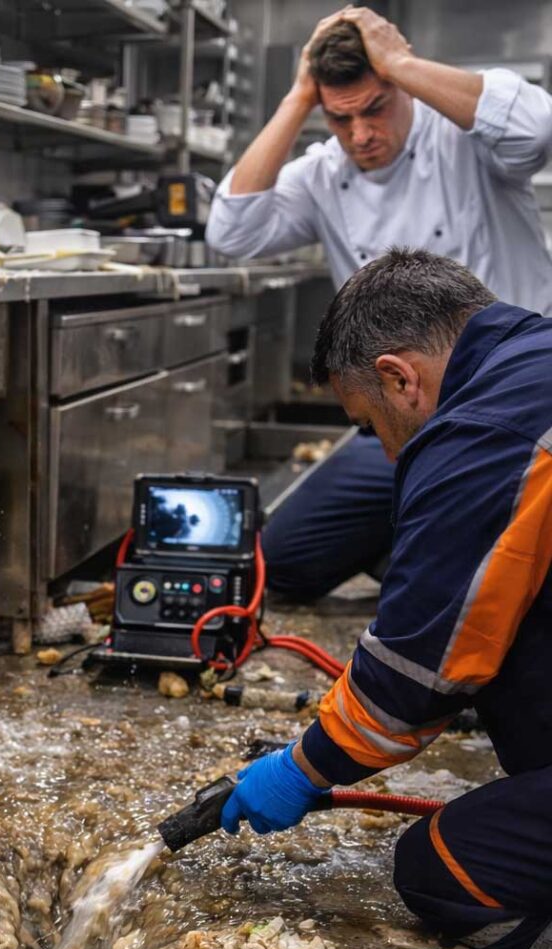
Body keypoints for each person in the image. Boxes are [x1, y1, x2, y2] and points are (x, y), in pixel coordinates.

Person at [218, 248, 552, 949]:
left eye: (370, 424)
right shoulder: (533, 362)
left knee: (446, 869)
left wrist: (302, 769)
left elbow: (411, 680)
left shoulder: (484, 435)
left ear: (401, 378)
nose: (385, 451)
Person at [205, 6, 552, 599]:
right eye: (341, 119)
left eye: (374, 108)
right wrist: (297, 99)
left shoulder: (463, 140)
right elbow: (231, 232)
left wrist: (401, 61)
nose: (360, 134)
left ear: (401, 86)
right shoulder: (323, 173)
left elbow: (537, 130)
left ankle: (445, 552)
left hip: (513, 407)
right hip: (400, 421)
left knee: (486, 579)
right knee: (280, 562)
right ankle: (423, 546)